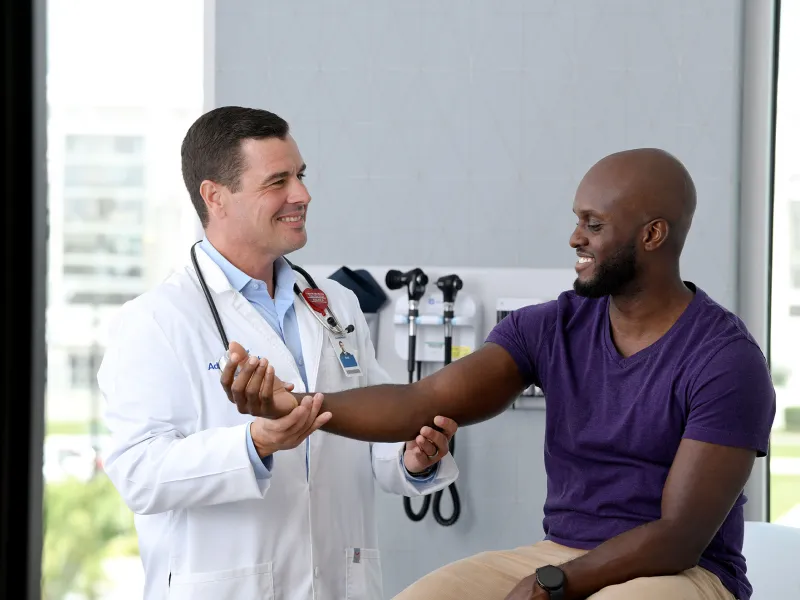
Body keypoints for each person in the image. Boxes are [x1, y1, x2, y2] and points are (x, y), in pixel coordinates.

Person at [222, 148, 776, 600]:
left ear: (653, 236)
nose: (574, 238)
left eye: (593, 224)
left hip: (683, 575)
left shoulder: (726, 362)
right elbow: (423, 399)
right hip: (561, 552)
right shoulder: (552, 327)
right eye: (577, 219)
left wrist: (554, 584)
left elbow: (679, 538)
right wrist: (300, 407)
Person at [97, 106, 460, 600]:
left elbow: (371, 430)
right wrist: (255, 443)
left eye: (301, 175)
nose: (303, 195)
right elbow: (139, 475)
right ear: (215, 197)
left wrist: (411, 455)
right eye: (278, 181)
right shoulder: (155, 321)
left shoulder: (336, 303)